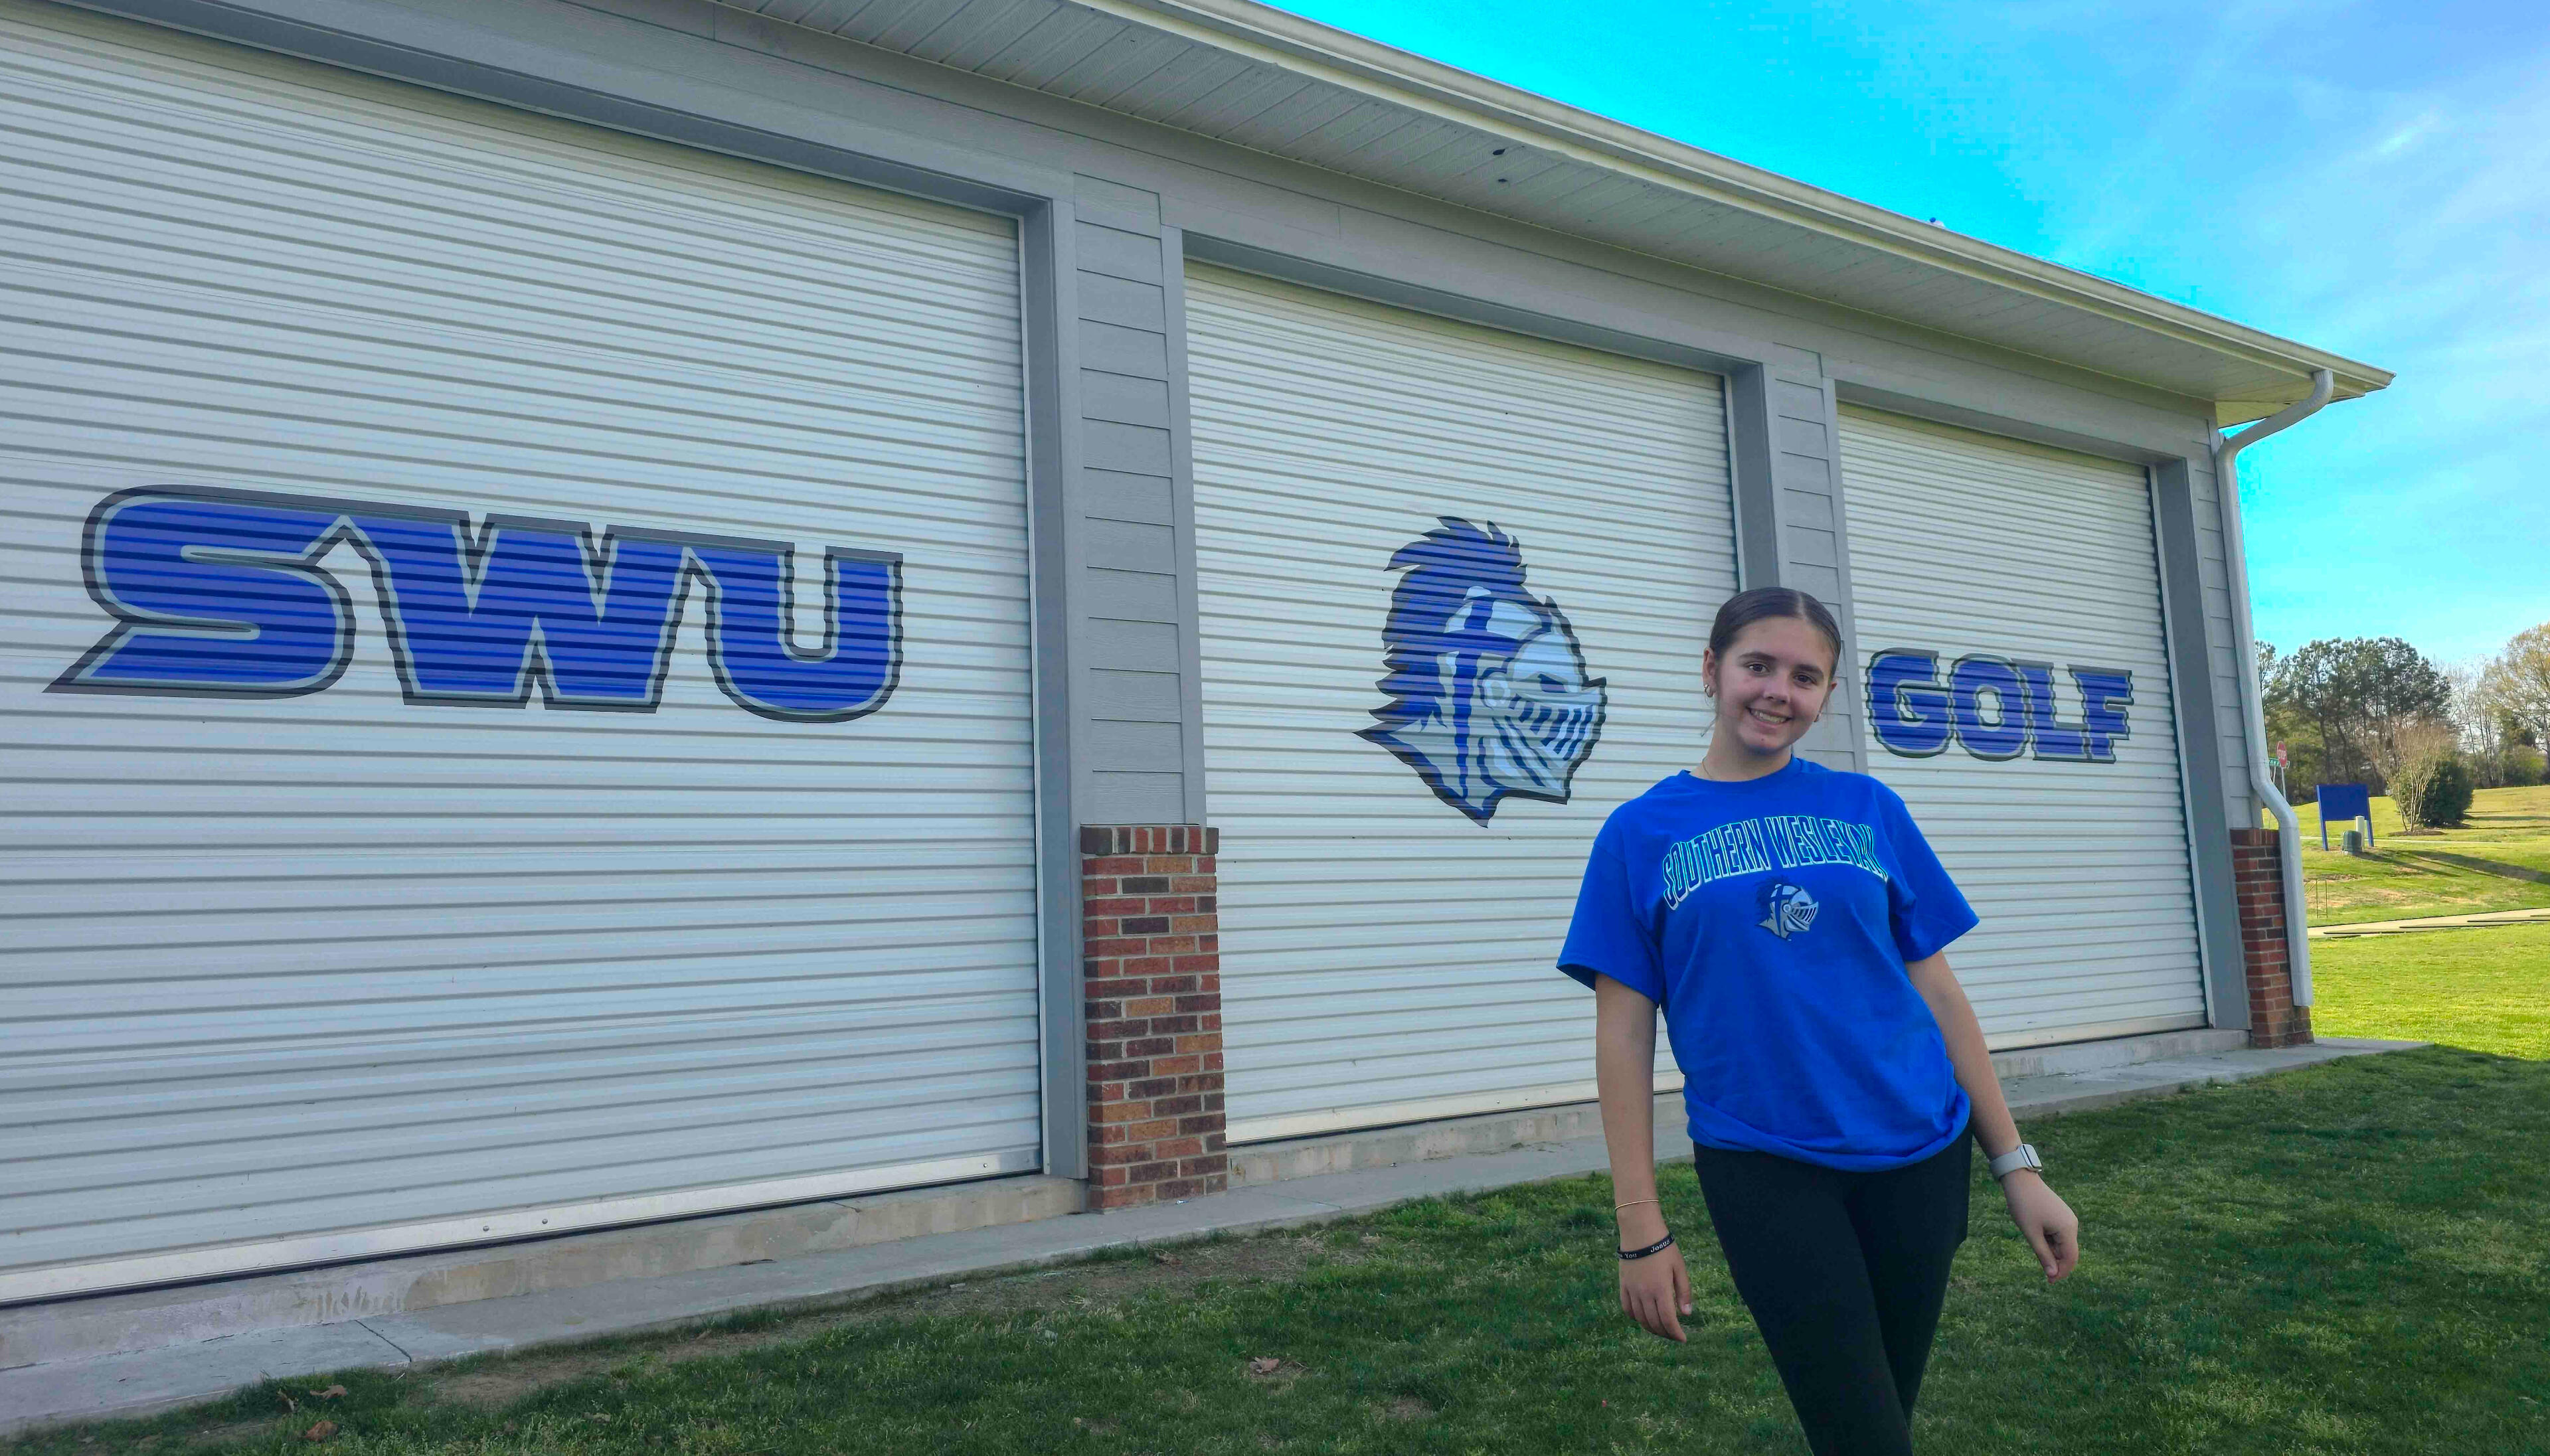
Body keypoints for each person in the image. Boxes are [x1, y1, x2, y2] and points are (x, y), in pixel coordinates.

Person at [1557, 586, 2079, 1456]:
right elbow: (1624, 1035)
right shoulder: (1639, 833)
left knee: (1874, 1424)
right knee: (1864, 1434)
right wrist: (1639, 1223)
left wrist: (2015, 1166)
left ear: (1827, 694)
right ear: (1711, 670)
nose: (1778, 692)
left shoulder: (1869, 808)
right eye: (1757, 665)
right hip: (1766, 1164)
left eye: (1805, 677)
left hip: (1921, 1155)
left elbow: (1940, 996)